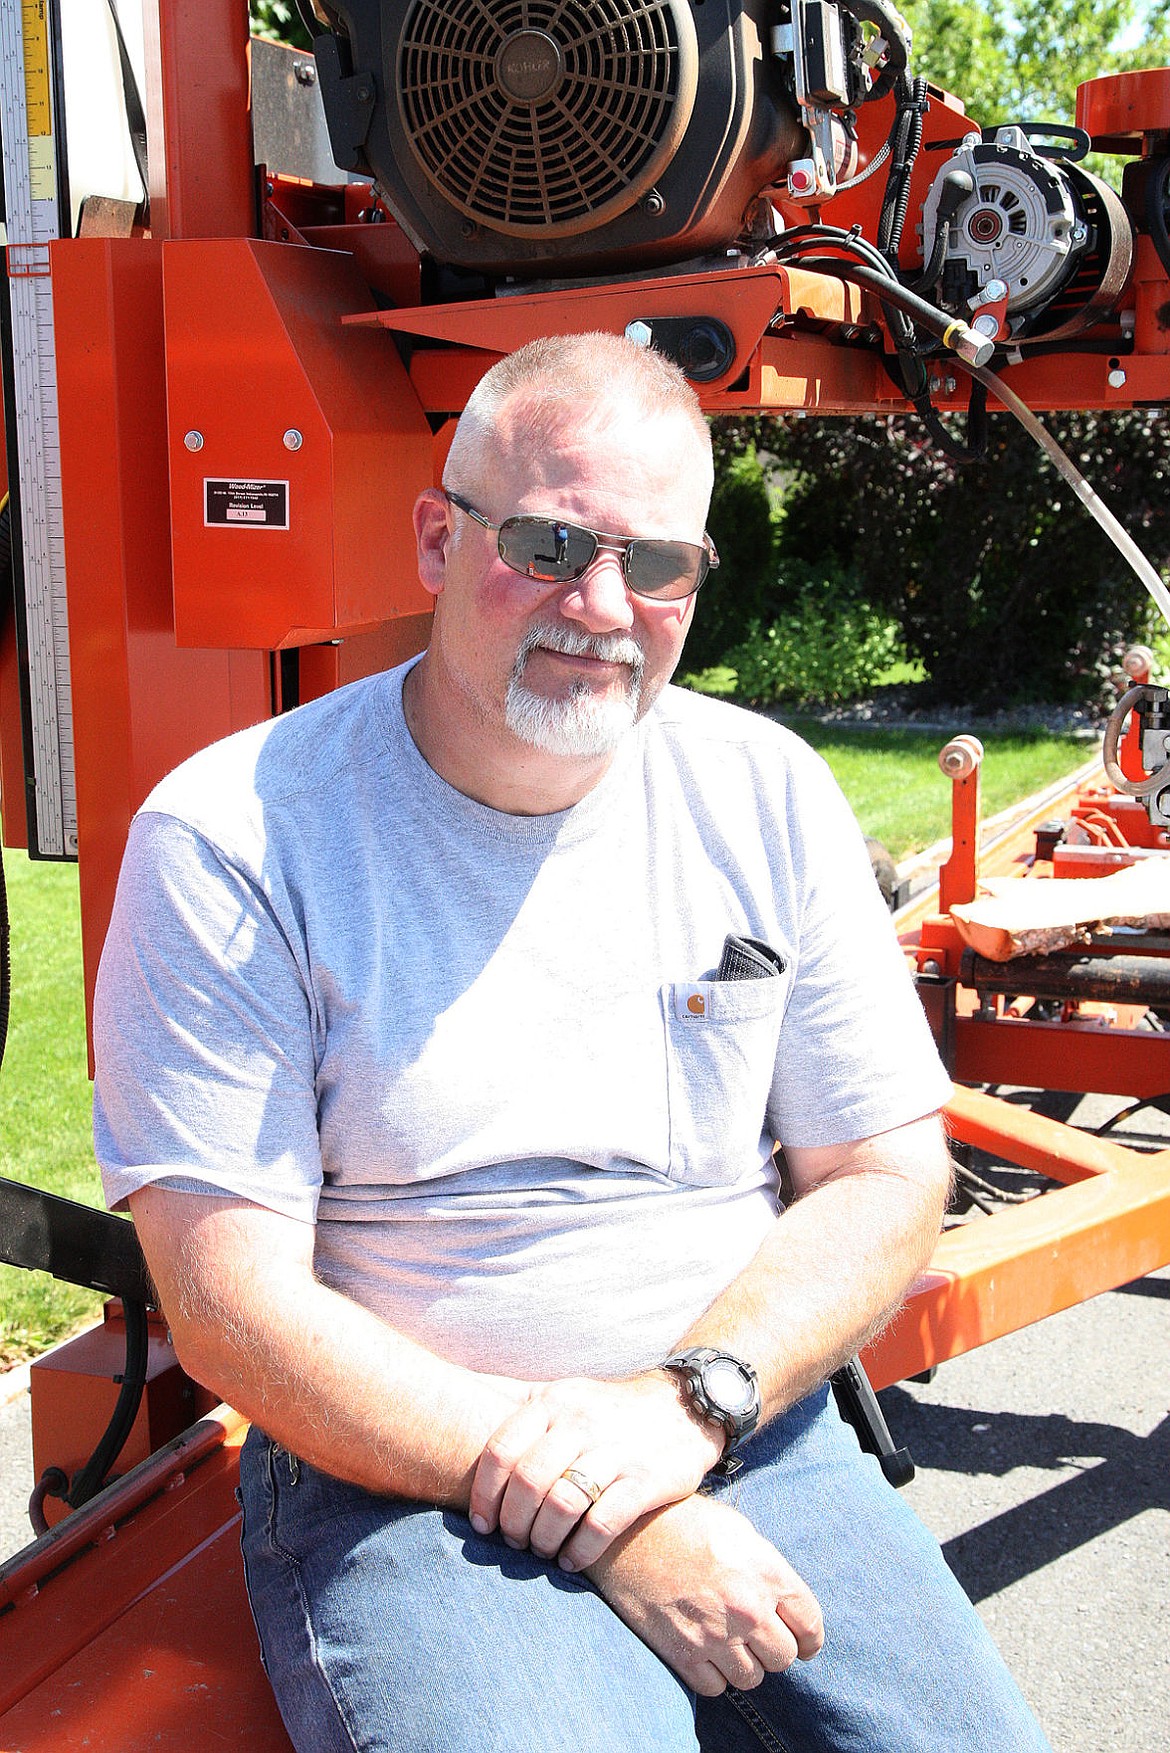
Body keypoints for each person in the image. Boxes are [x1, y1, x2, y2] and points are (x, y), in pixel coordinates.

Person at [93, 332, 1052, 1753]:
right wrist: (610, 1508)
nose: (602, 605)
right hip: (396, 1477)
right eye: (547, 542)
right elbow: (226, 1297)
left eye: (655, 562)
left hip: (740, 1427)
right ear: (434, 535)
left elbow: (881, 1171)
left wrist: (689, 1409)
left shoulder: (762, 792)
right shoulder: (235, 836)